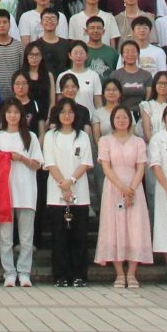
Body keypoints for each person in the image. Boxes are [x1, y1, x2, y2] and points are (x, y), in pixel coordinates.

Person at [94, 104, 151, 288]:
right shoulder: (105, 141)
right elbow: (106, 167)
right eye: (118, 117)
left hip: (135, 189)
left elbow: (141, 167)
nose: (121, 120)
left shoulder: (138, 142)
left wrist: (131, 189)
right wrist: (122, 188)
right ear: (112, 120)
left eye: (125, 117)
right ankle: (119, 273)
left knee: (135, 228)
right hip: (113, 188)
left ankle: (132, 273)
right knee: (113, 228)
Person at [41, 98, 93, 287]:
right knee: (59, 237)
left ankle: (79, 275)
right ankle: (60, 275)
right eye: (63, 112)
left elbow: (85, 163)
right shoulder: (50, 136)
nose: (67, 115)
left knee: (79, 237)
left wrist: (70, 182)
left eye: (70, 111)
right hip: (57, 194)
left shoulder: (82, 136)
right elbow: (50, 163)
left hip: (79, 193)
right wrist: (63, 185)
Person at [0, 98, 43, 287]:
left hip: (26, 190)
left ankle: (24, 272)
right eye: (9, 112)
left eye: (16, 112)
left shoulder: (30, 136)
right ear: (4, 115)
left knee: (26, 236)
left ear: (22, 115)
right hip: (4, 191)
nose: (12, 116)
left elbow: (37, 164)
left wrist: (21, 158)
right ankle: (9, 272)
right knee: (5, 236)